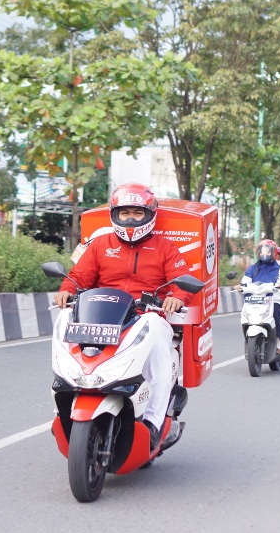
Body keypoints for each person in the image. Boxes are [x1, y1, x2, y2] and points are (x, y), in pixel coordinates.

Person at [54, 183, 194, 451]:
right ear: (115, 214)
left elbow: (181, 280)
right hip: (105, 317)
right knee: (65, 317)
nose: (131, 219)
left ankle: (152, 423)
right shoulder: (100, 244)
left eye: (138, 213)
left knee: (161, 356)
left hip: (147, 316)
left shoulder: (164, 247)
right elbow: (79, 276)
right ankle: (66, 396)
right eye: (125, 212)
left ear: (150, 215)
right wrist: (66, 289)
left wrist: (177, 297)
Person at [241, 239, 280, 355]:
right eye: (262, 251)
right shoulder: (252, 268)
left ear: (273, 253)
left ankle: (278, 339)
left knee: (275, 313)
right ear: (258, 252)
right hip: (255, 299)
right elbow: (245, 280)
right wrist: (240, 285)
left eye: (268, 251)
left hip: (274, 299)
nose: (264, 254)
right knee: (247, 315)